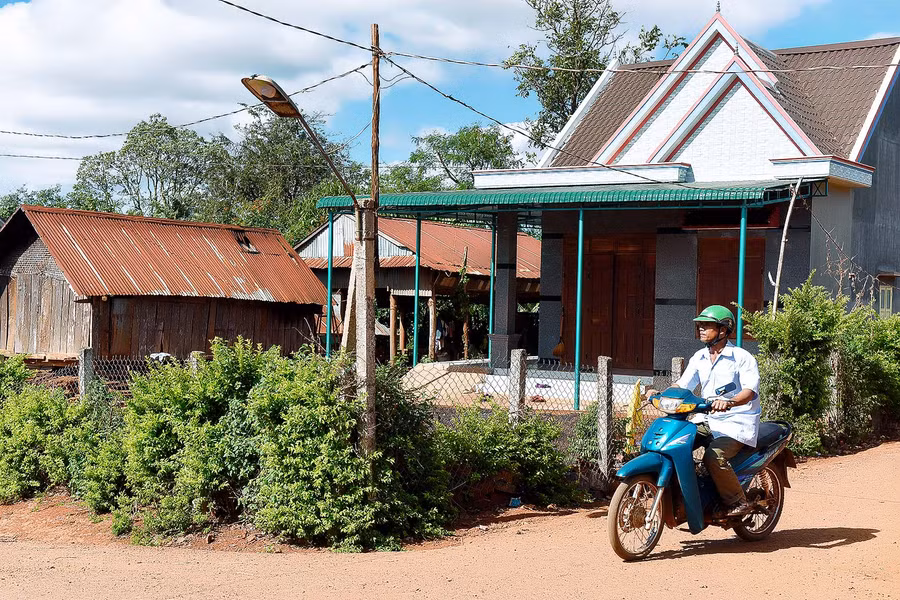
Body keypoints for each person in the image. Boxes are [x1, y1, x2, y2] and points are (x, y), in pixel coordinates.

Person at [646, 305, 761, 517]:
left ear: (724, 330)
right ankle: (688, 494)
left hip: (735, 423)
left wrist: (729, 402)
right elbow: (683, 386)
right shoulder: (699, 357)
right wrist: (660, 394)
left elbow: (749, 392)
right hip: (706, 419)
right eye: (700, 326)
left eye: (707, 326)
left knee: (713, 456)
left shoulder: (742, 357)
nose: (701, 329)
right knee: (675, 444)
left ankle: (738, 501)